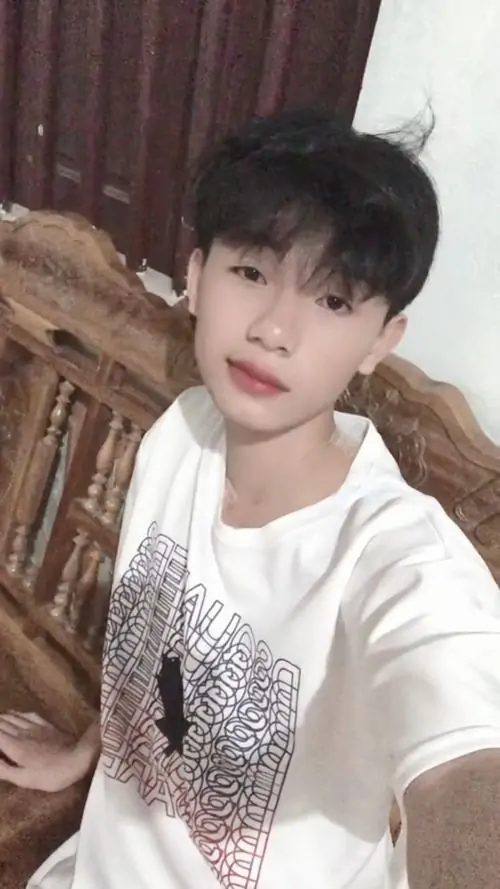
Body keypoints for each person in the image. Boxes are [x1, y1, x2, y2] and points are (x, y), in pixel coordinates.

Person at [0, 108, 499, 889]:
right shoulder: (181, 435)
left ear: (381, 341)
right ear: (197, 277)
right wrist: (86, 749)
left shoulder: (400, 558)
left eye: (334, 301)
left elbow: (466, 762)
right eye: (253, 273)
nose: (274, 329)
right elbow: (157, 648)